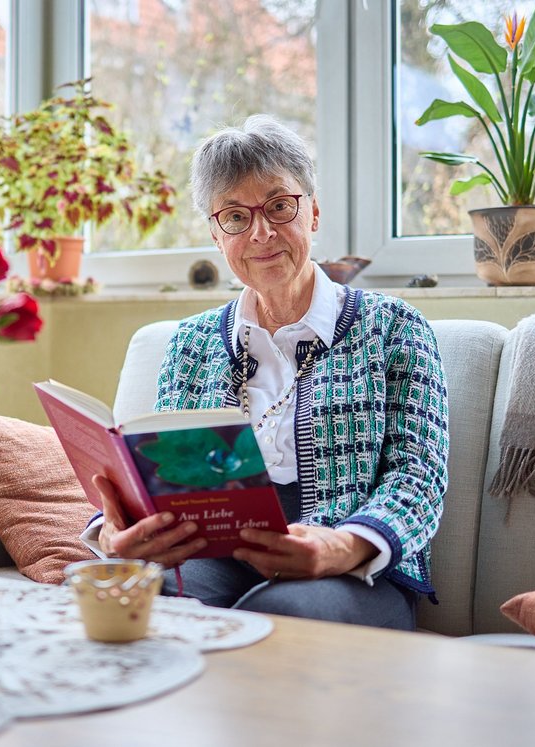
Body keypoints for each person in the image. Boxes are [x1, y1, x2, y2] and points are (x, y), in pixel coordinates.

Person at [83, 114, 449, 630]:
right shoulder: (189, 345)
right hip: (213, 557)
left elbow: (419, 477)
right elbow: (160, 474)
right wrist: (112, 532)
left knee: (277, 618)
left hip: (355, 573)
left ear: (314, 213)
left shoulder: (395, 328)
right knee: (123, 596)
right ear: (215, 233)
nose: (261, 233)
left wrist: (343, 545)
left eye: (279, 206)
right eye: (235, 216)